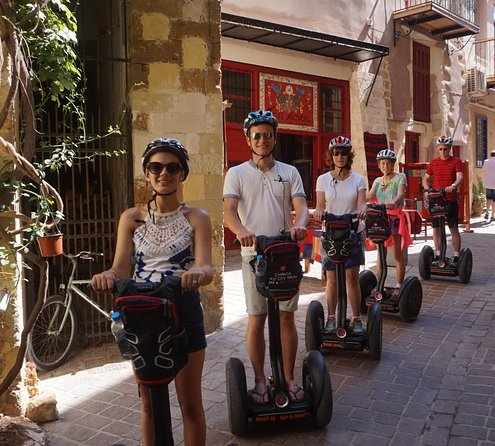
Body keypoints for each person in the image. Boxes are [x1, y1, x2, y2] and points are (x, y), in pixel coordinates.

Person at [91, 138, 212, 446]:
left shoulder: (196, 218)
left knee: (190, 404)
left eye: (172, 167)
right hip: (142, 313)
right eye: (156, 167)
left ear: (182, 174)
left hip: (182, 309)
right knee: (148, 402)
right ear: (147, 173)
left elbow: (206, 266)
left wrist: (197, 273)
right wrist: (107, 275)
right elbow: (120, 268)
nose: (164, 173)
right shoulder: (131, 218)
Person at [223, 110, 309, 405]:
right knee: (257, 318)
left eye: (267, 135)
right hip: (253, 256)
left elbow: (301, 205)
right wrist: (243, 231)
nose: (262, 140)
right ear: (248, 138)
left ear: (275, 138)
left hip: (284, 252)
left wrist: (299, 226)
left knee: (287, 317)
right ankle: (260, 380)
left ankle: (288, 377)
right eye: (256, 135)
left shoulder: (289, 172)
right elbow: (229, 212)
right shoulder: (236, 173)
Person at [313, 136, 367, 334]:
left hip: (352, 231)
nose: (340, 156)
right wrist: (318, 212)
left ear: (349, 155)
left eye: (344, 153)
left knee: (352, 278)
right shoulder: (323, 180)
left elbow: (362, 202)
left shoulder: (358, 179)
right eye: (336, 152)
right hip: (331, 233)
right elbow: (320, 205)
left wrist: (363, 210)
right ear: (331, 155)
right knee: (332, 278)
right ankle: (331, 317)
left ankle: (357, 318)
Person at [366, 148, 411, 298]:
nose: (386, 166)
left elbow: (400, 194)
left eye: (388, 163)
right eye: (383, 163)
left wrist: (392, 202)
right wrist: (356, 198)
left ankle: (399, 285)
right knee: (380, 254)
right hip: (379, 218)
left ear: (393, 164)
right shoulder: (378, 181)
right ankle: (380, 284)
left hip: (394, 217)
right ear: (379, 165)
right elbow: (369, 195)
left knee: (397, 254)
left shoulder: (400, 177)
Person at [422, 135, 464, 263]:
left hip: (450, 198)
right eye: (440, 149)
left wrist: (453, 186)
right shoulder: (434, 163)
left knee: (453, 227)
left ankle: (456, 255)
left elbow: (460, 177)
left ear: (450, 148)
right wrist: (427, 189)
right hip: (435, 199)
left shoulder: (456, 161)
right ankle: (438, 254)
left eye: (445, 149)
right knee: (436, 228)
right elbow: (426, 178)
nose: (443, 152)